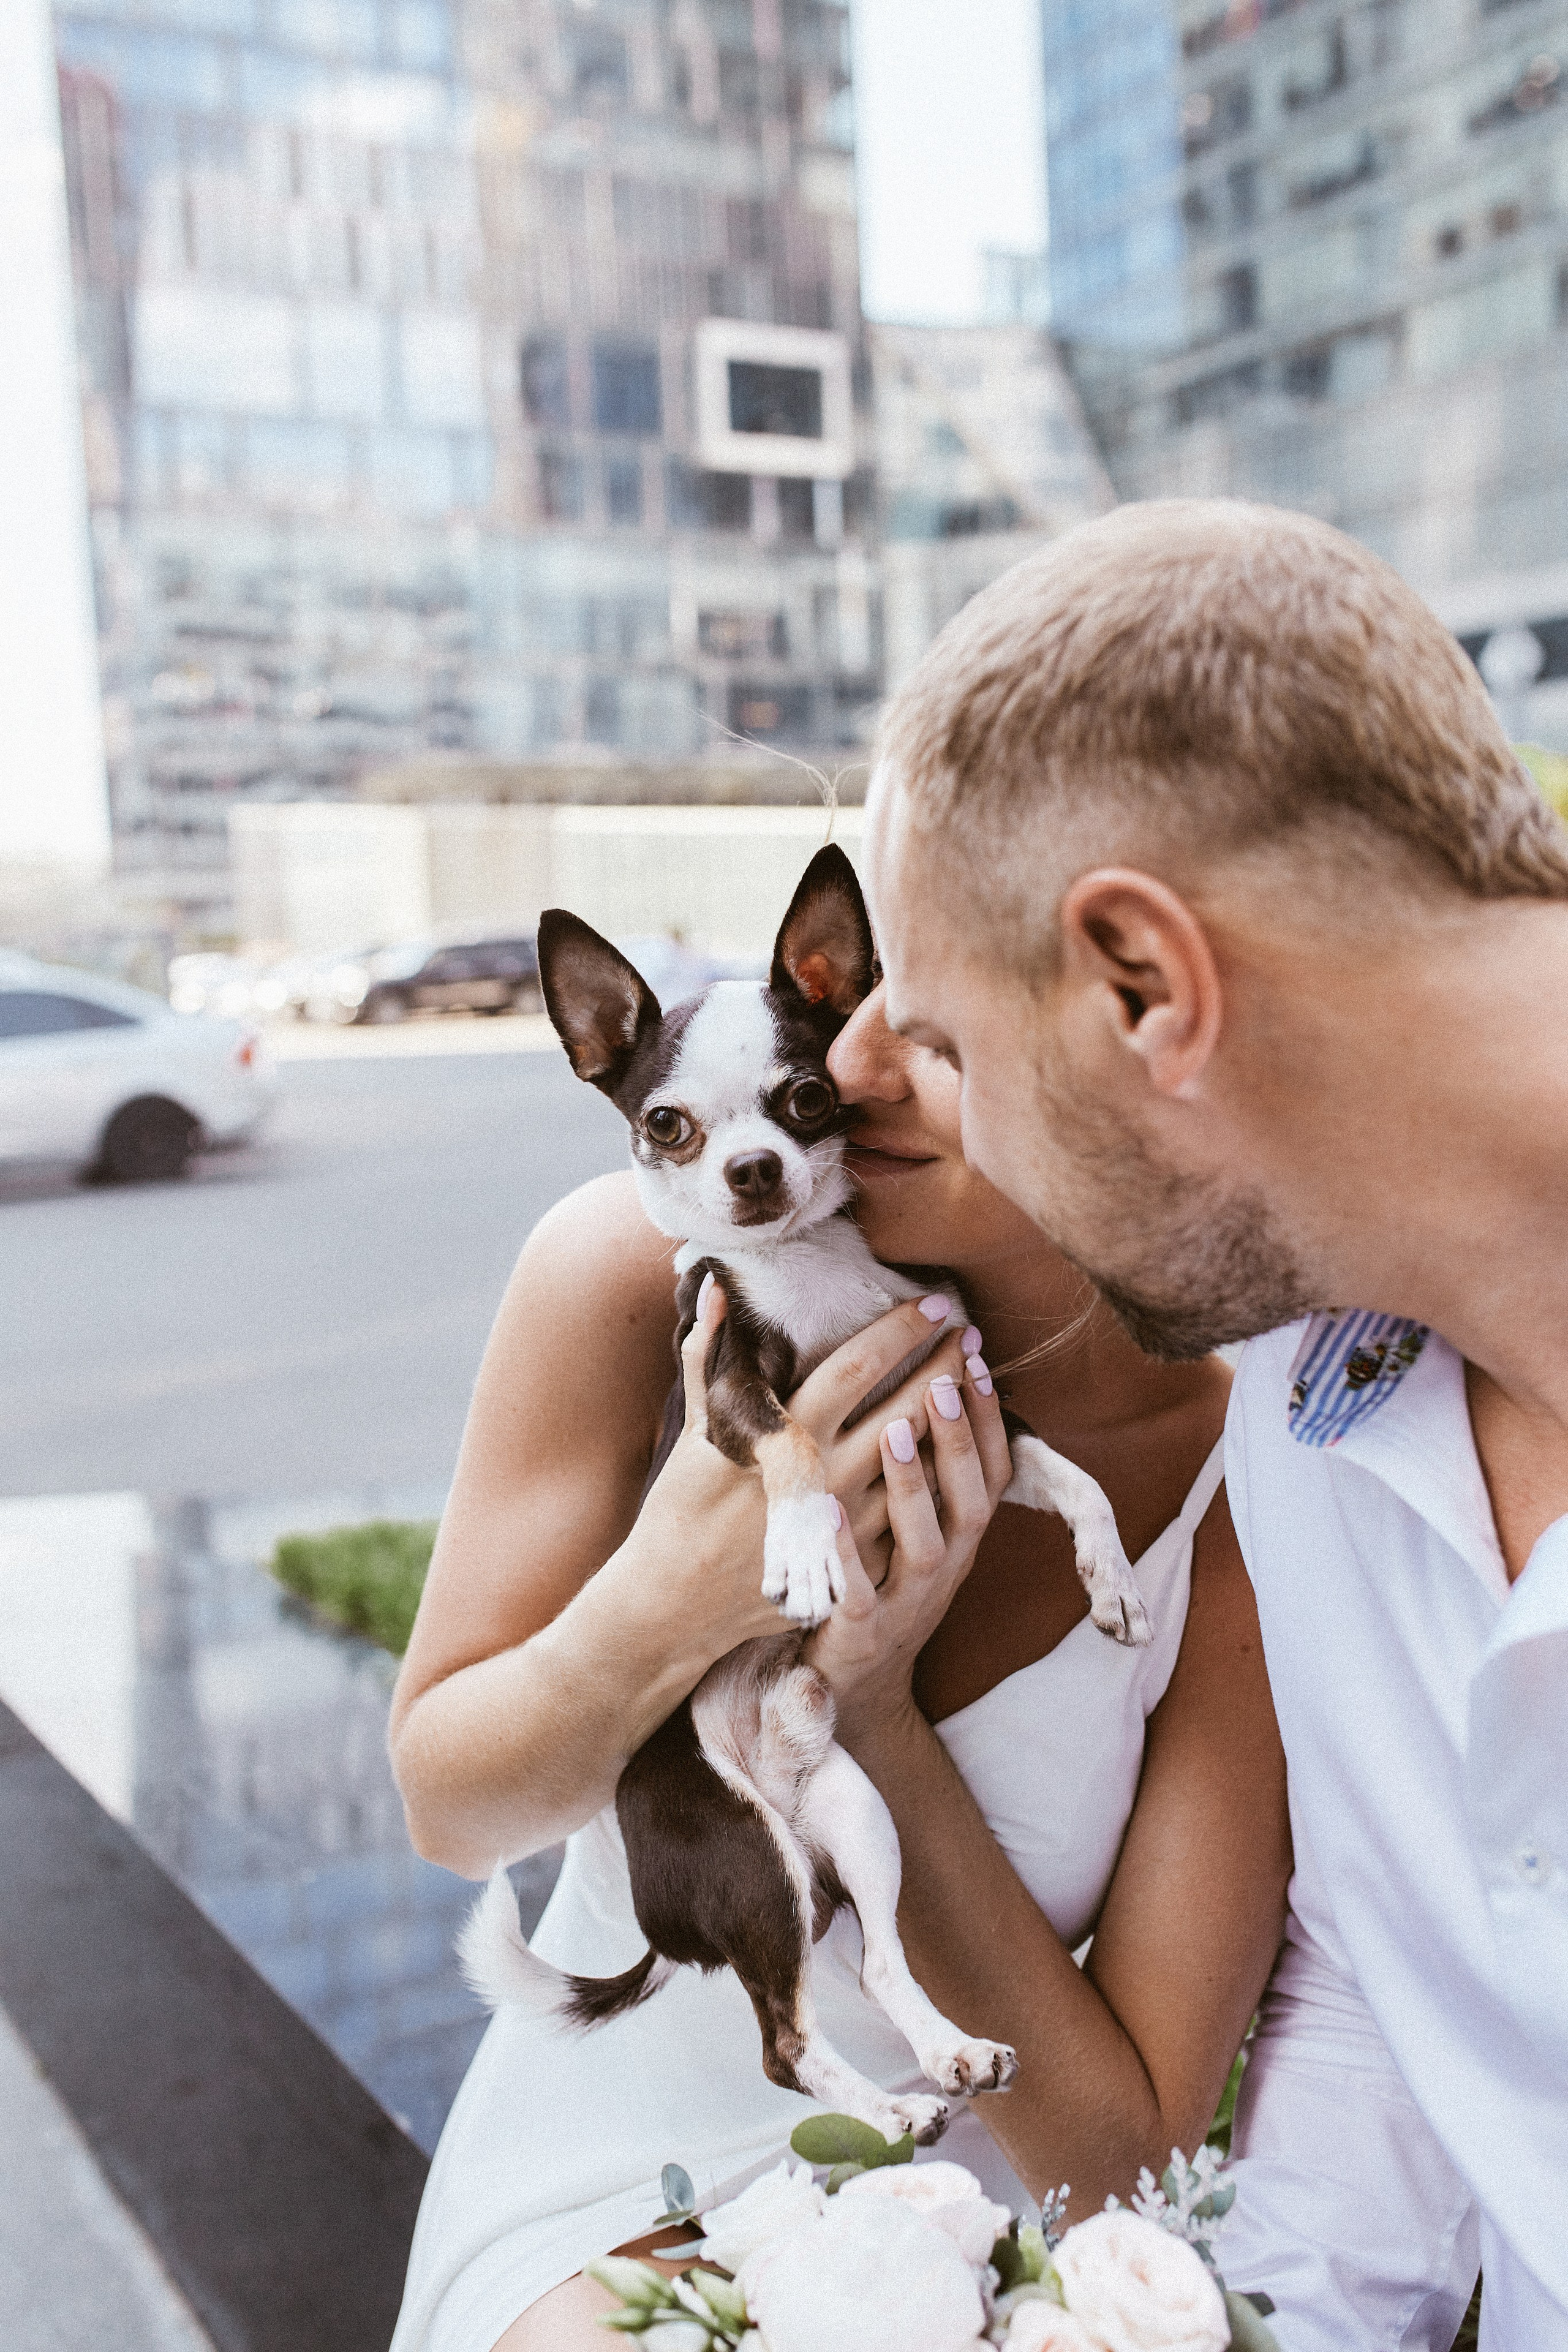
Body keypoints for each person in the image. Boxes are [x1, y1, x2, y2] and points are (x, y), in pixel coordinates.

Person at [862, 496, 1568, 2350]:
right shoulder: (1303, 1416)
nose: (895, 1102)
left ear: (1145, 987)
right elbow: (1384, 1998)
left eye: (940, 1046)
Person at [384, 956, 1290, 2352]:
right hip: (597, 2192)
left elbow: (1120, 2160)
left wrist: (871, 1709)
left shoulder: (1243, 1486)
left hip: (950, 2247)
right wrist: (675, 1597)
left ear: (1153, 1047)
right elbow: (450, 1815)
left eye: (932, 1012)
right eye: (858, 991)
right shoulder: (643, 1275)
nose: (848, 1060)